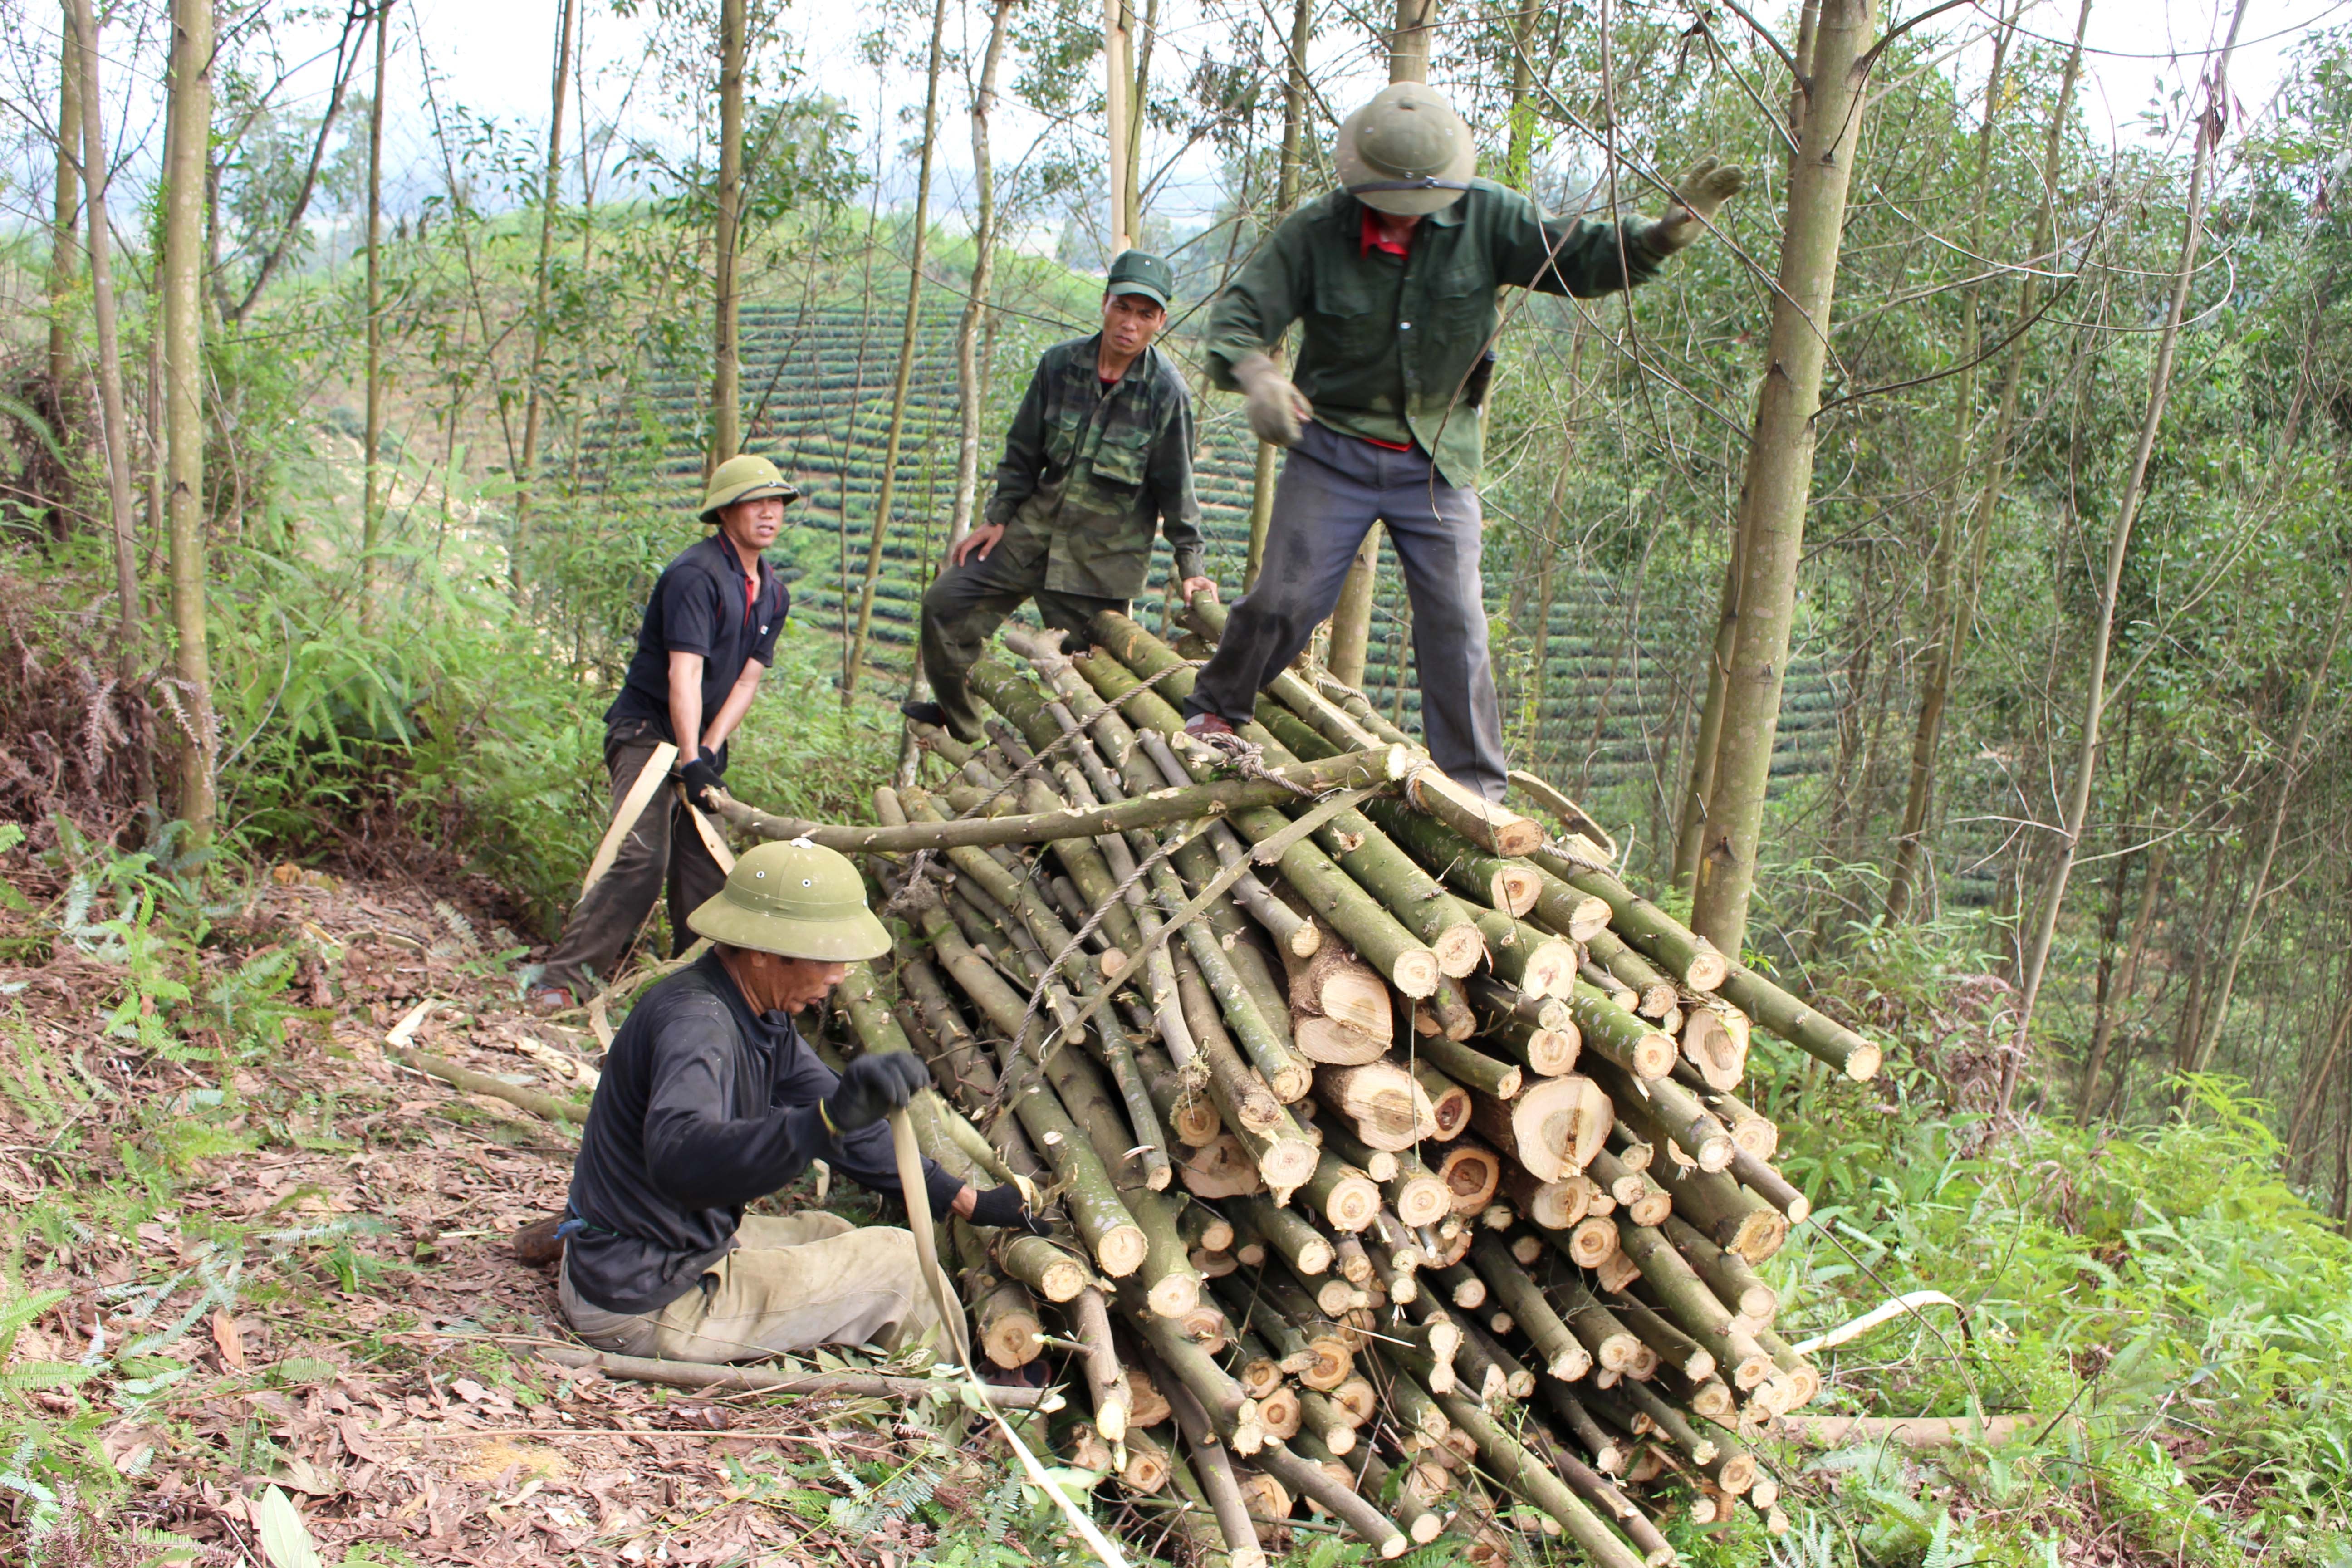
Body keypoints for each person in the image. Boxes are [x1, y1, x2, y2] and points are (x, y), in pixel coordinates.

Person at [1180, 84, 1747, 802]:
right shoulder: (1317, 232)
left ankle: (1474, 787)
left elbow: (1576, 258)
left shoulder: (1490, 216)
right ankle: (1216, 711)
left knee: (1457, 620)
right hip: (1333, 450)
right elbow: (1237, 321)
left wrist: (1661, 237)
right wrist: (1258, 374)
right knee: (1284, 598)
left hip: (1439, 459)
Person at [555, 838, 1044, 1363]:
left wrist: (965, 1200)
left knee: (829, 1231)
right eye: (824, 957)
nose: (838, 976)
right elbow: (682, 1159)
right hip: (642, 1299)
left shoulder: (756, 1013)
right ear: (762, 949)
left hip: (645, 1255)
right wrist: (820, 1125)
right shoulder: (700, 1026)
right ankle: (974, 1403)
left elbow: (839, 1114)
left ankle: (907, 1363)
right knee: (898, 1266)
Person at [903, 249, 1216, 743]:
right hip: (1033, 533)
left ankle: (1068, 763)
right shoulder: (1060, 365)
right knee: (946, 604)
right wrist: (999, 516)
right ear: (1106, 303)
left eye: (1145, 314)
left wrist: (1192, 568)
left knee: (1088, 677)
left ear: (1161, 321)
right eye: (1123, 307)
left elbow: (1177, 488)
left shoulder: (1166, 392)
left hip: (1100, 563)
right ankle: (961, 724)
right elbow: (1023, 451)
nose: (1130, 324)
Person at [529, 453, 797, 1013]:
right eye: (756, 502)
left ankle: (702, 998)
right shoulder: (695, 575)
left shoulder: (773, 592)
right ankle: (560, 982)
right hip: (647, 732)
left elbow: (748, 679)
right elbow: (685, 671)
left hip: (697, 740)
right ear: (726, 512)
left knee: (705, 874)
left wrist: (709, 749)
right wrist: (688, 751)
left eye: (776, 502)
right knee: (641, 857)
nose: (769, 513)